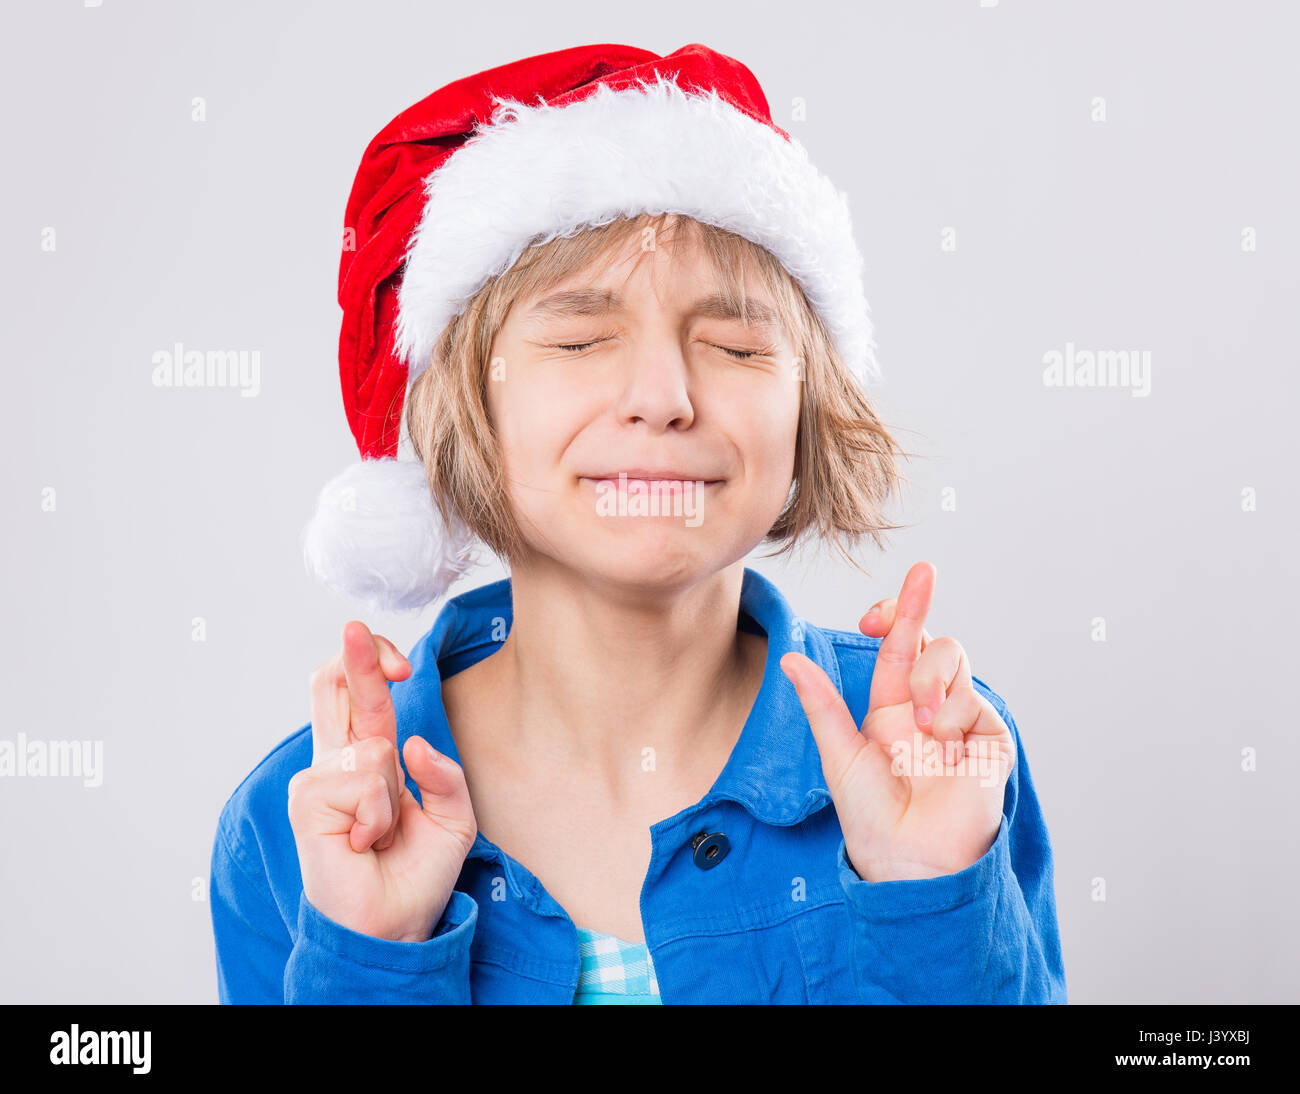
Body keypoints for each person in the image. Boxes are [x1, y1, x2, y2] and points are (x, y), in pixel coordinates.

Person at [209, 42, 1067, 1004]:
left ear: (801, 410)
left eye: (737, 344)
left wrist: (931, 912)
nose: (664, 397)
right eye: (579, 339)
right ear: (468, 409)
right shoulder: (301, 827)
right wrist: (376, 962)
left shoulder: (939, 760)